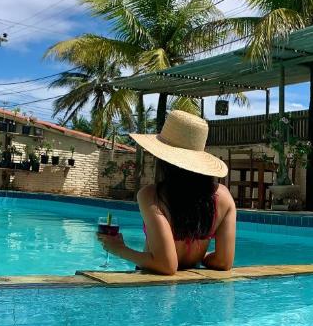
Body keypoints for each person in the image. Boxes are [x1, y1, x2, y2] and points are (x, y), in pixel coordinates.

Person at [97, 110, 236, 275]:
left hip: (153, 287)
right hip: (195, 288)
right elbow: (223, 262)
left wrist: (119, 249)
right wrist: (200, 257)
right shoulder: (224, 197)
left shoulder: (151, 196)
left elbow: (166, 265)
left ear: (162, 158)